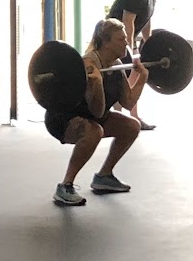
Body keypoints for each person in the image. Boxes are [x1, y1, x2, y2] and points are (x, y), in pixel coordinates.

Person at [48, 18, 146, 206]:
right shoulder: (89, 64)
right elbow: (97, 110)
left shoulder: (115, 64)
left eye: (126, 38)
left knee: (132, 126)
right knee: (94, 131)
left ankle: (104, 176)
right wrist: (97, 83)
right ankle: (65, 186)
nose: (126, 43)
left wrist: (142, 78)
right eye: (121, 39)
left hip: (92, 116)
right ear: (106, 42)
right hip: (62, 119)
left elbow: (128, 102)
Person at [109, 0, 163, 130]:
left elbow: (146, 20)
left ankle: (133, 117)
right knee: (125, 75)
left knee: (136, 73)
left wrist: (149, 44)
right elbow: (128, 22)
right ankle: (119, 116)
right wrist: (131, 48)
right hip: (110, 39)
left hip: (125, 38)